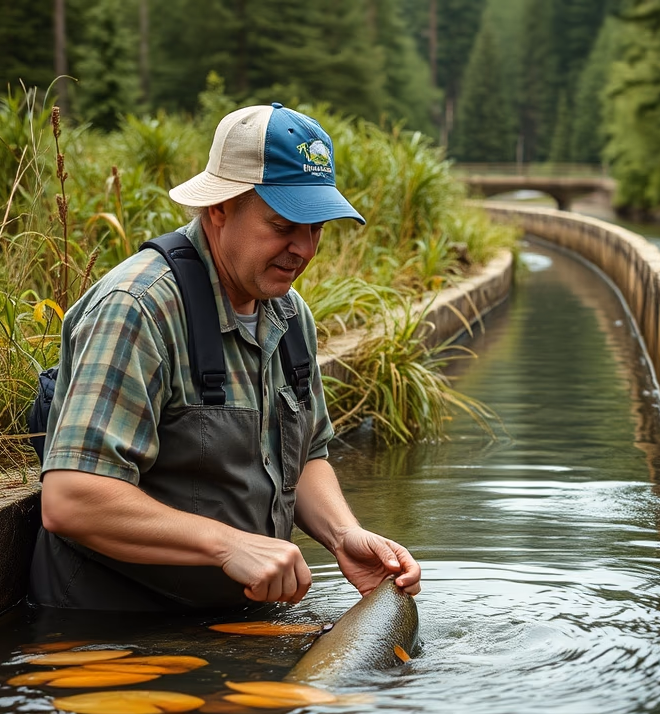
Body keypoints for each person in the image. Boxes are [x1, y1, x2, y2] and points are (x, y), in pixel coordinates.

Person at [29, 103, 421, 611]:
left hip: (229, 628)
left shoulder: (288, 313)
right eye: (283, 225)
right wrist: (228, 544)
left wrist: (343, 535)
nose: (303, 249)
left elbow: (305, 459)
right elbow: (71, 500)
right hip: (107, 634)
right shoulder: (138, 307)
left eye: (316, 228)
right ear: (221, 208)